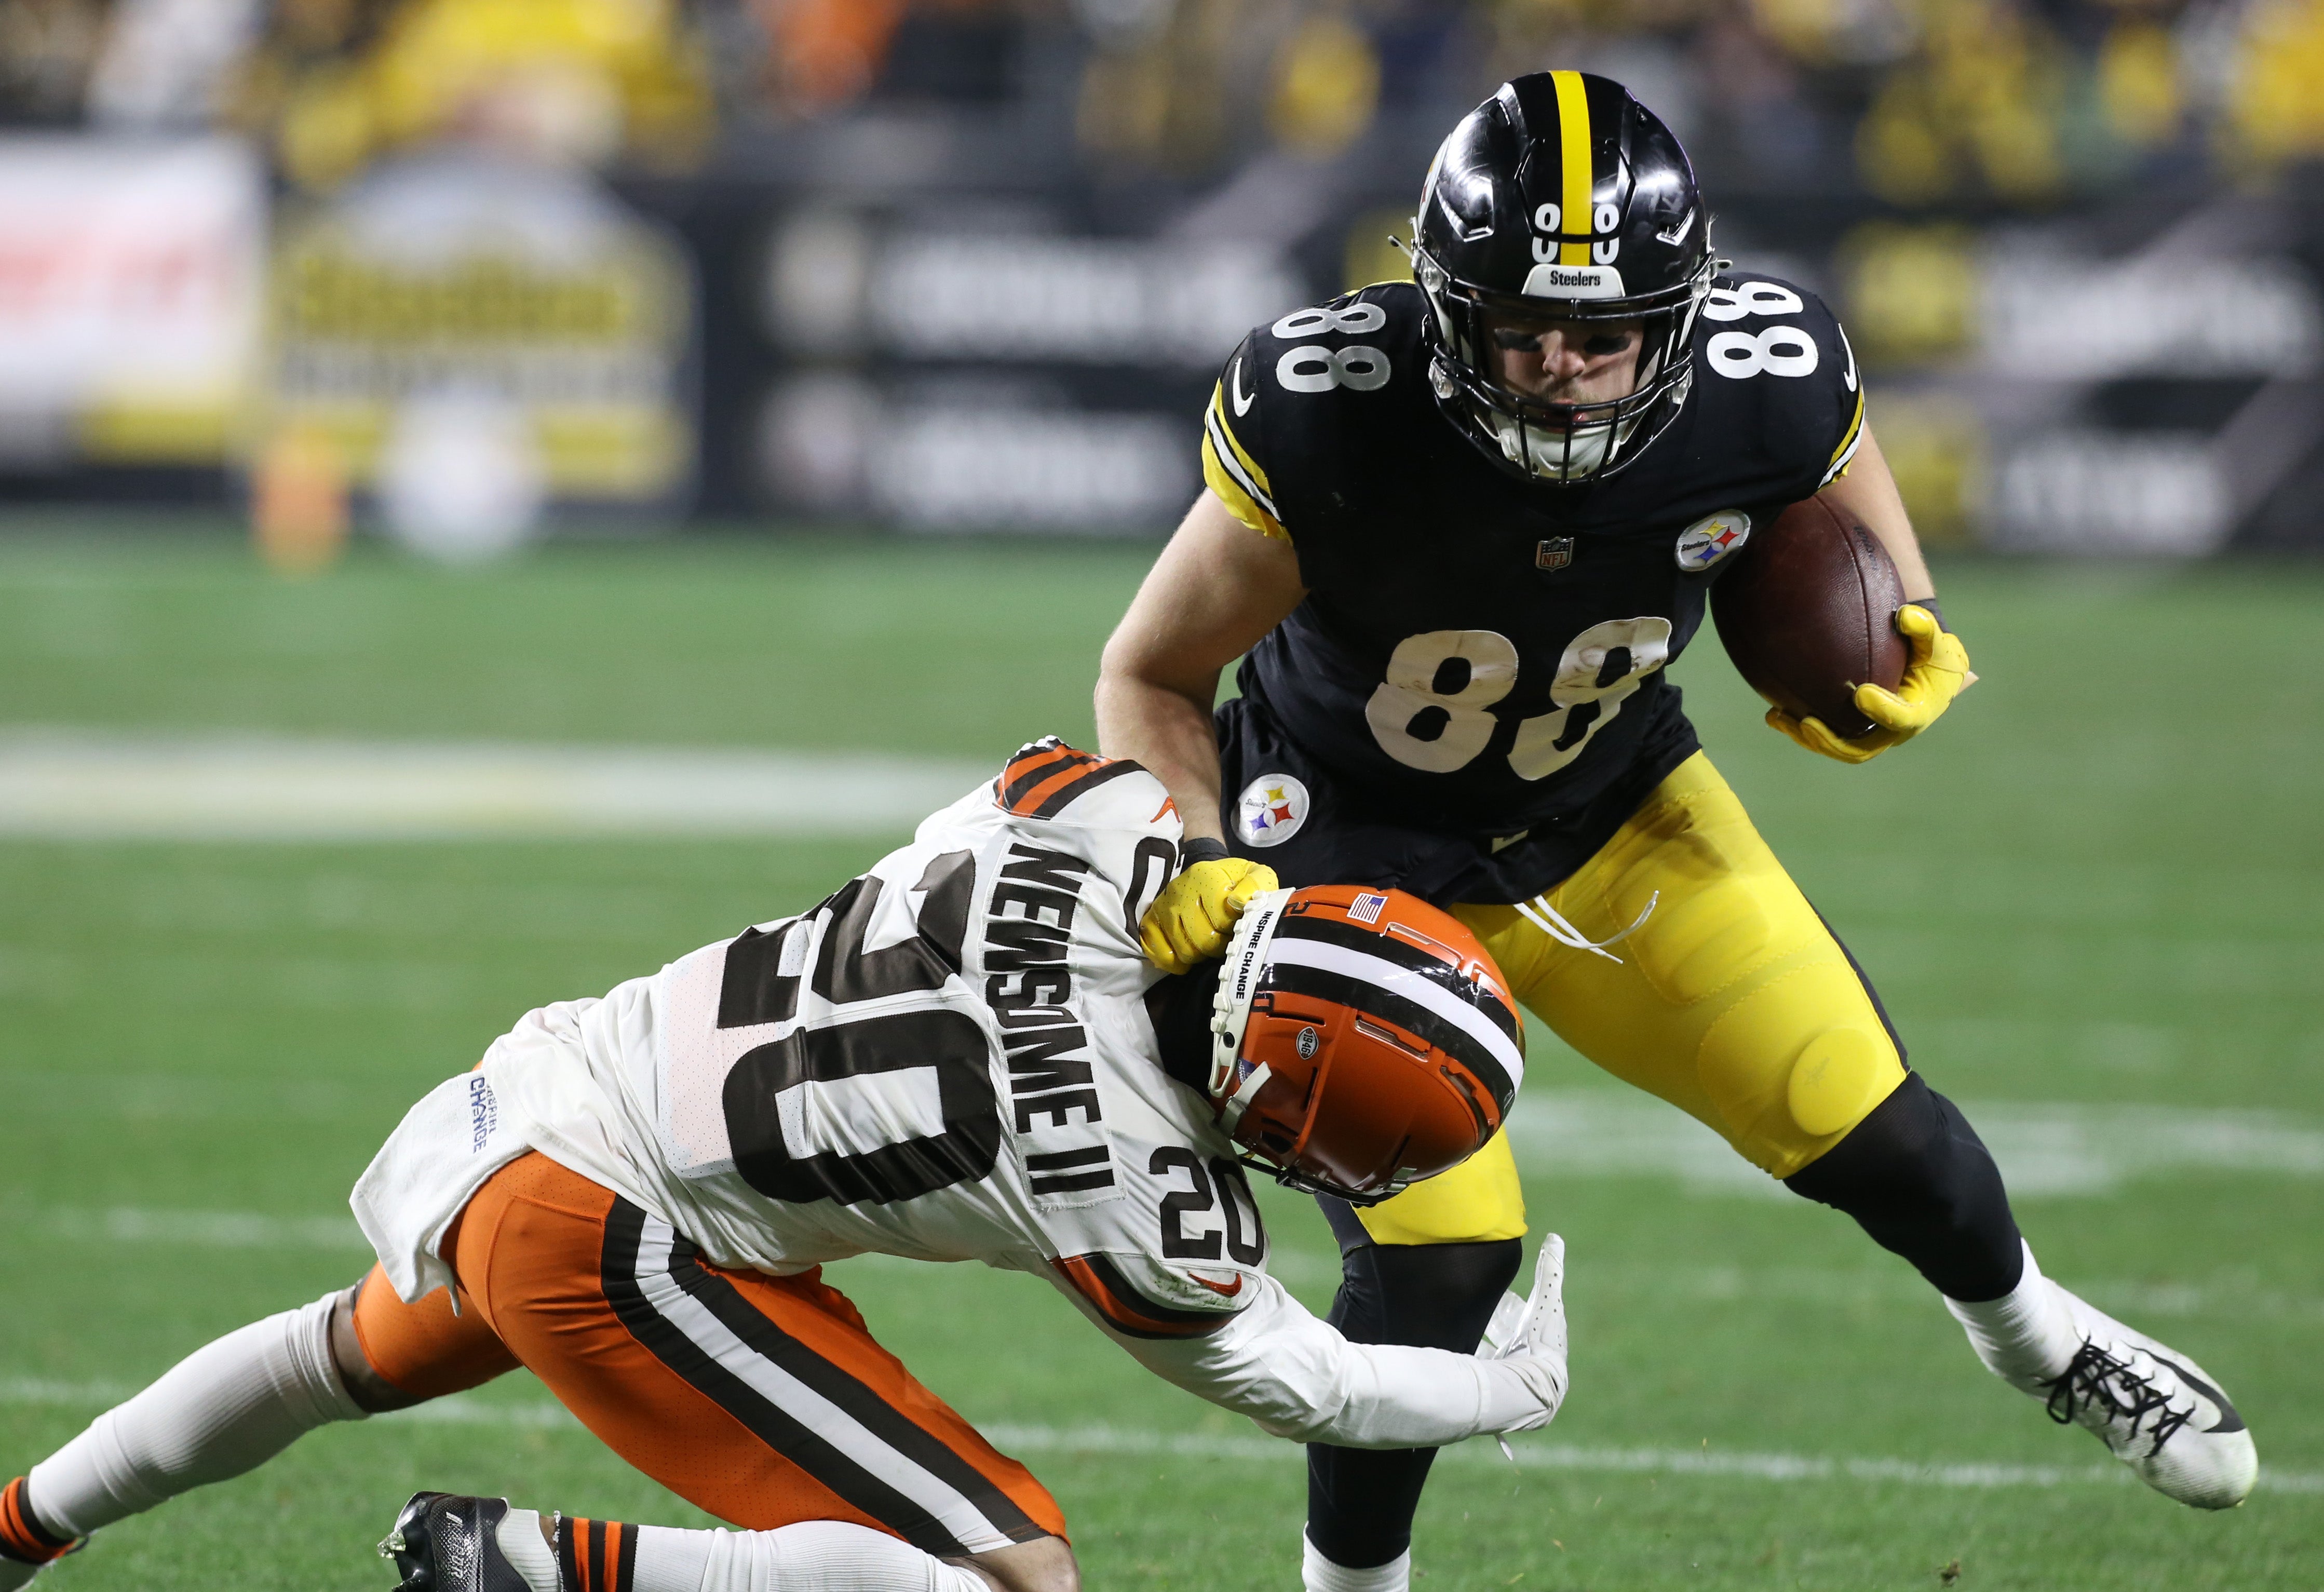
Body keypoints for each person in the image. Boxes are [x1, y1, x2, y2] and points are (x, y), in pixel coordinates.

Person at [1095, 69, 2257, 1592]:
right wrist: (1199, 860)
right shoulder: (1327, 410)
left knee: (1881, 1132)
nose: (1563, 367)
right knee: (1442, 1260)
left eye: (1603, 333)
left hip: (1611, 802)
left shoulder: (1764, 374)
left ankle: (2043, 1339)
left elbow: (1856, 525)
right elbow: (1148, 668)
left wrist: (1897, 638)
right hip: (1343, 851)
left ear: (1683, 314)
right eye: (1519, 329)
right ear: (1443, 307)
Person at [0, 740, 1566, 1592]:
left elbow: (1037, 791)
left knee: (332, 1350)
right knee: (1015, 1572)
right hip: (614, 1227)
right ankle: (532, 1564)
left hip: (542, 1088)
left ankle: (17, 1525)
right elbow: (1324, 1387)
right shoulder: (1139, 1191)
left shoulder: (1092, 826)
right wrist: (1499, 1391)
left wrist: (1183, 871)